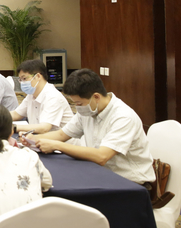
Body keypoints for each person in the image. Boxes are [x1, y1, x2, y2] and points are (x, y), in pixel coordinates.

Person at [20, 69, 155, 185]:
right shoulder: (89, 110)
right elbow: (62, 134)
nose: (77, 107)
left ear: (96, 97)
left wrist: (57, 145)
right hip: (100, 173)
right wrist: (34, 139)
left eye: (79, 103)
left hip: (130, 183)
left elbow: (102, 156)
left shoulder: (123, 117)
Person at [11, 59, 74, 134]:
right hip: (40, 138)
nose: (22, 83)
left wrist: (14, 127)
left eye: (24, 78)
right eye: (20, 80)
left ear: (38, 76)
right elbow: (16, 114)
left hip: (59, 140)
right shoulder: (31, 95)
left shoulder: (52, 96)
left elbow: (44, 128)